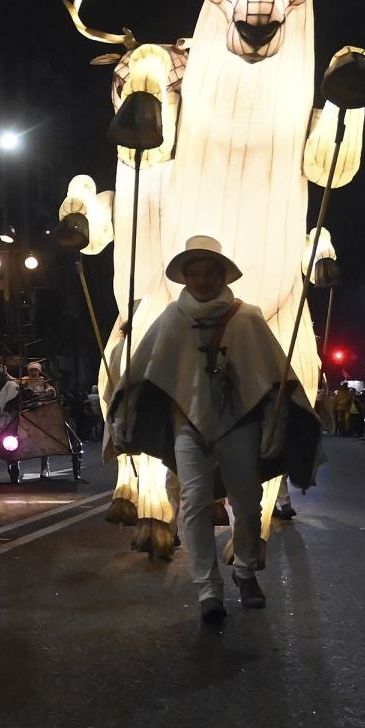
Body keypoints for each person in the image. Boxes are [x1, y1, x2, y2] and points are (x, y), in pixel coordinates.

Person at [108, 235, 320, 624]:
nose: (202, 280)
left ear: (221, 275)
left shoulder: (249, 317)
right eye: (194, 273)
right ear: (185, 277)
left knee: (247, 500)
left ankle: (243, 571)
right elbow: (141, 375)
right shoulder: (172, 317)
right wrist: (124, 417)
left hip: (239, 424)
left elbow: (274, 377)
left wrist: (277, 420)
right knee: (193, 503)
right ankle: (207, 587)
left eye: (209, 273)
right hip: (186, 425)